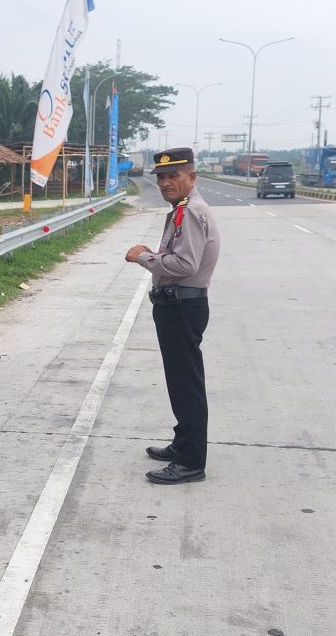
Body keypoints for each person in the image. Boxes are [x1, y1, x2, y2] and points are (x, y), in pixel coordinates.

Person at [125, 147, 221, 485]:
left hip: (182, 305)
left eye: (173, 176)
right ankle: (183, 444)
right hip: (176, 305)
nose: (166, 182)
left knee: (186, 385)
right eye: (162, 177)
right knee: (180, 382)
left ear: (192, 177)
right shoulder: (182, 210)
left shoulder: (191, 212)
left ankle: (191, 461)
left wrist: (144, 258)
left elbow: (185, 265)